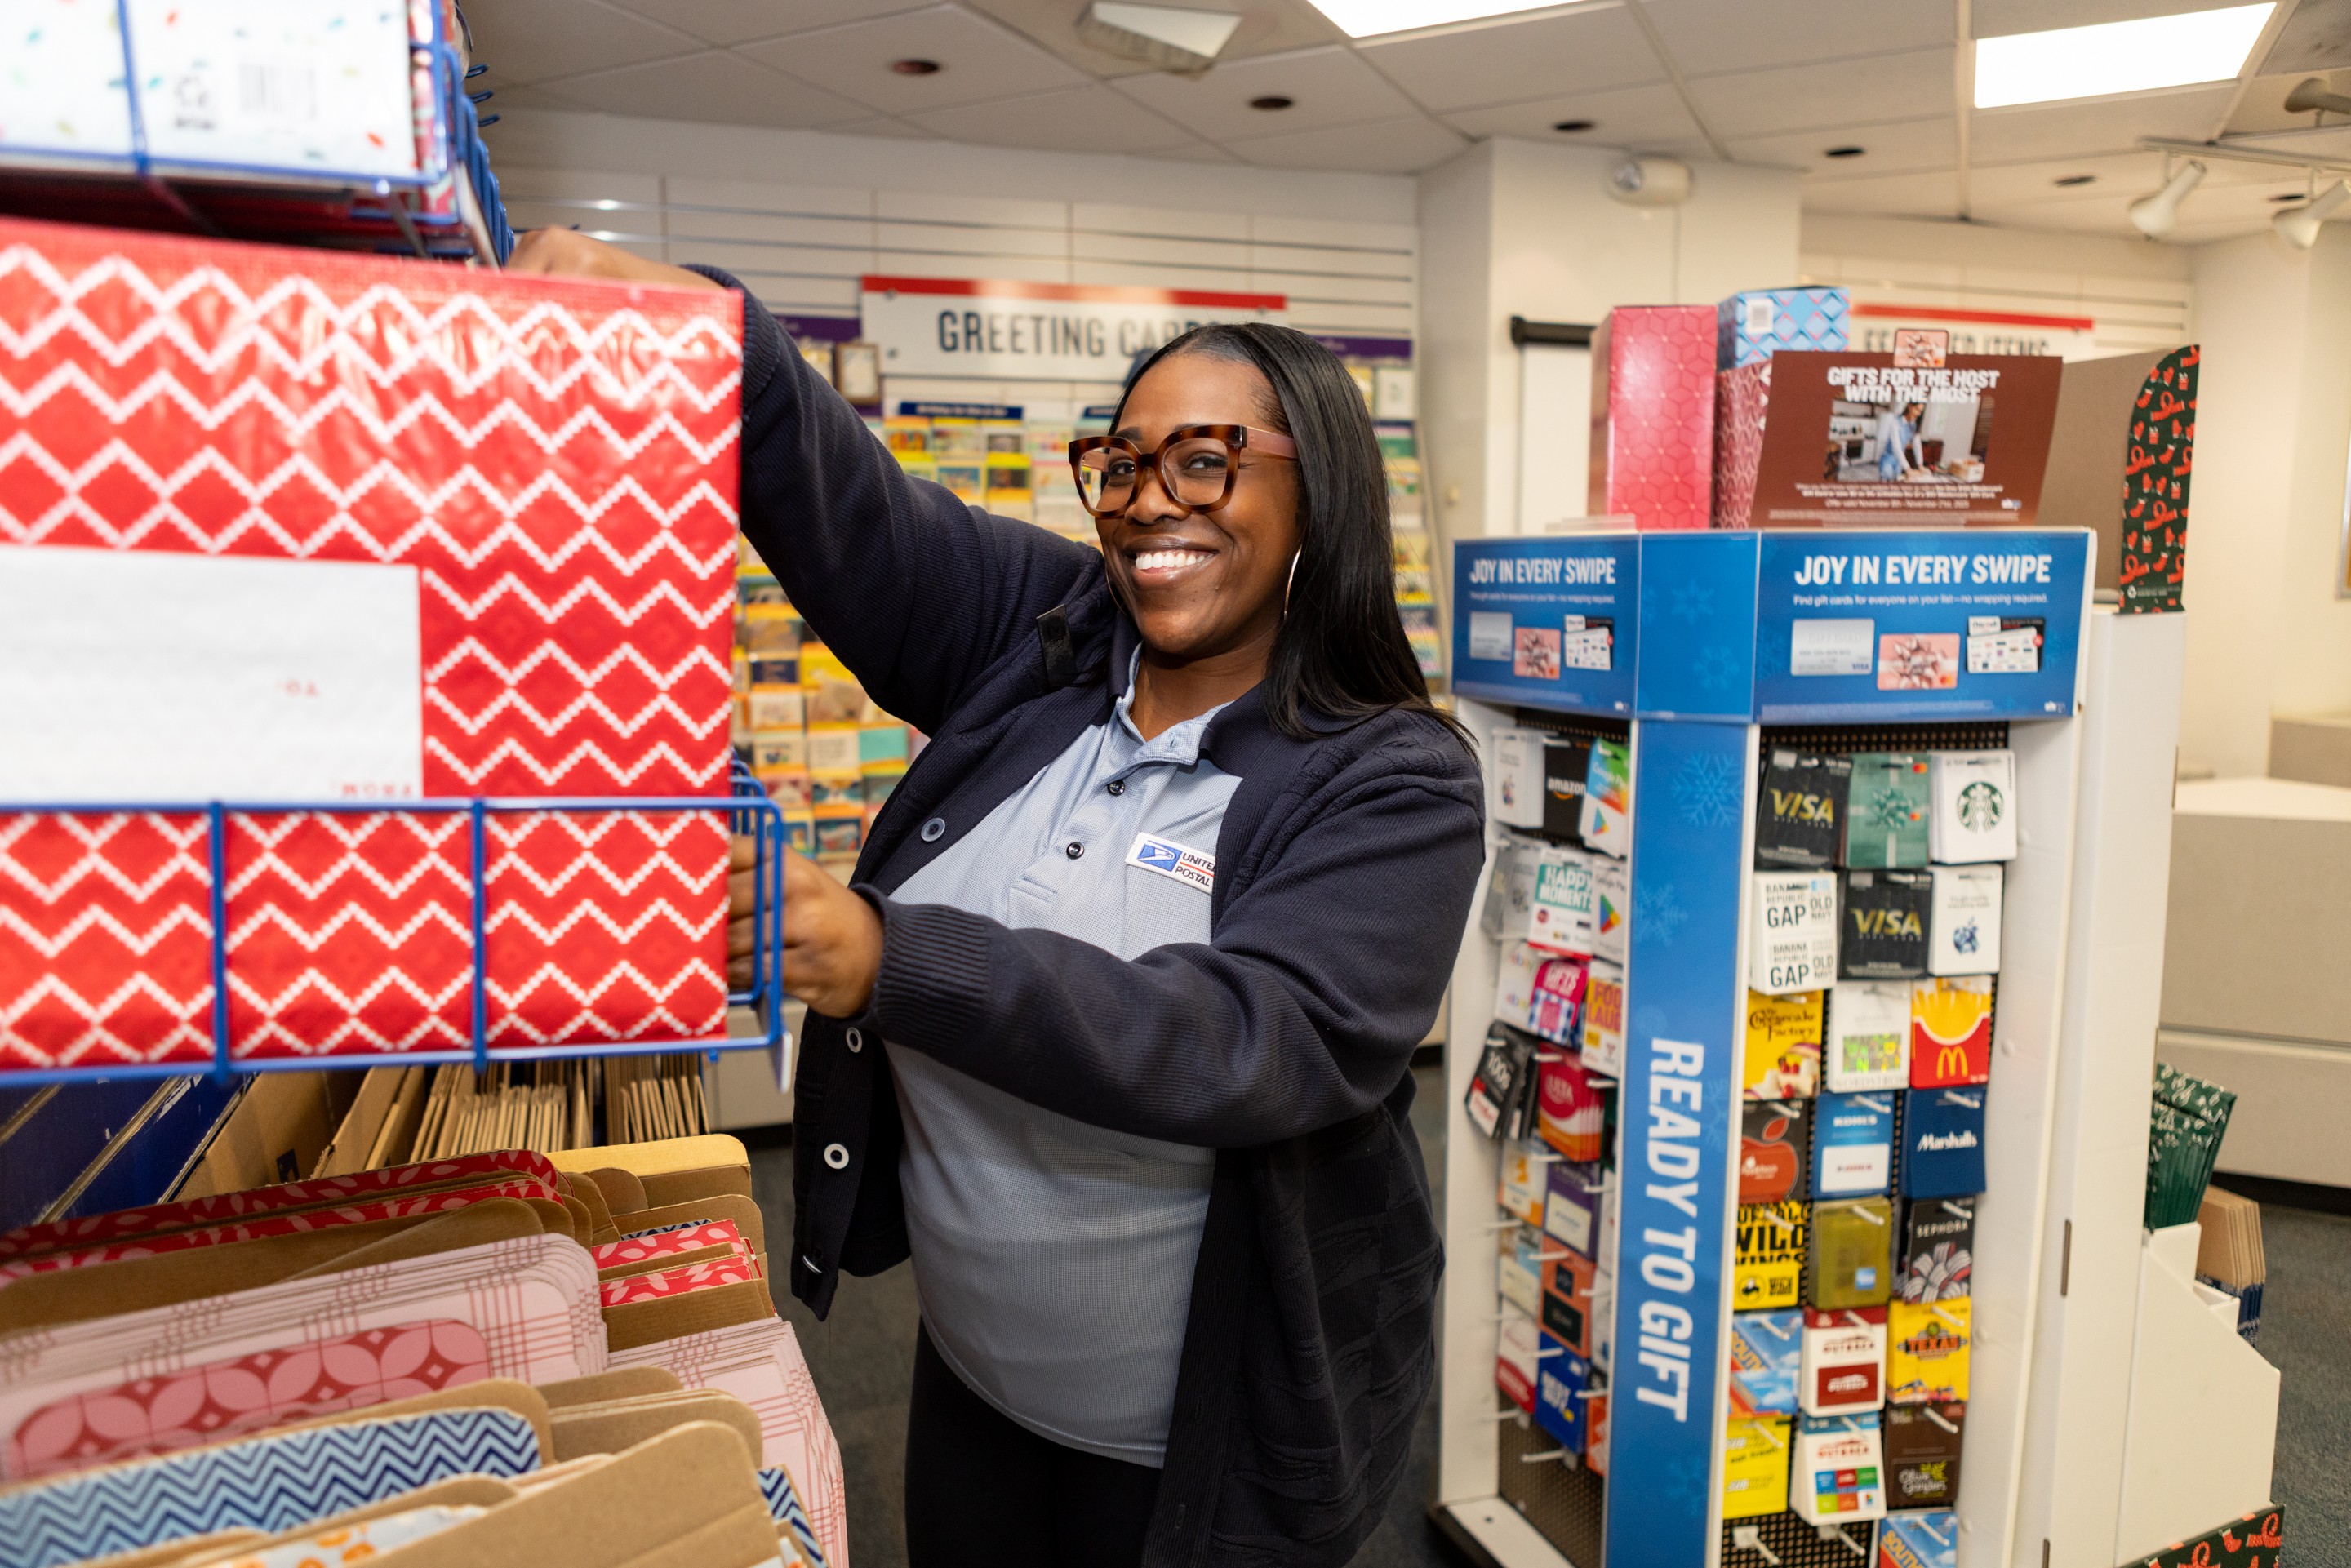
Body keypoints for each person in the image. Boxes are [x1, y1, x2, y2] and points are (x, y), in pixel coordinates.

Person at [509, 230, 1486, 1568]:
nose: (1150, 503)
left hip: (1206, 1457)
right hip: (973, 1385)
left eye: (1205, 460)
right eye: (1124, 463)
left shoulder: (1395, 781)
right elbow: (864, 523)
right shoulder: (1054, 638)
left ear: (1317, 496)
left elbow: (1246, 1042)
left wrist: (888, 955)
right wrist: (717, 334)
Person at [1875, 400, 1926, 480]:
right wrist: (1908, 469)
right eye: (1917, 410)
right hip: (1888, 460)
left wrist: (1920, 465)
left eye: (1920, 412)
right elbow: (1896, 448)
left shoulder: (1913, 426)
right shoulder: (1895, 423)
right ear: (1909, 406)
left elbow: (1917, 446)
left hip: (1899, 461)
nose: (1918, 414)